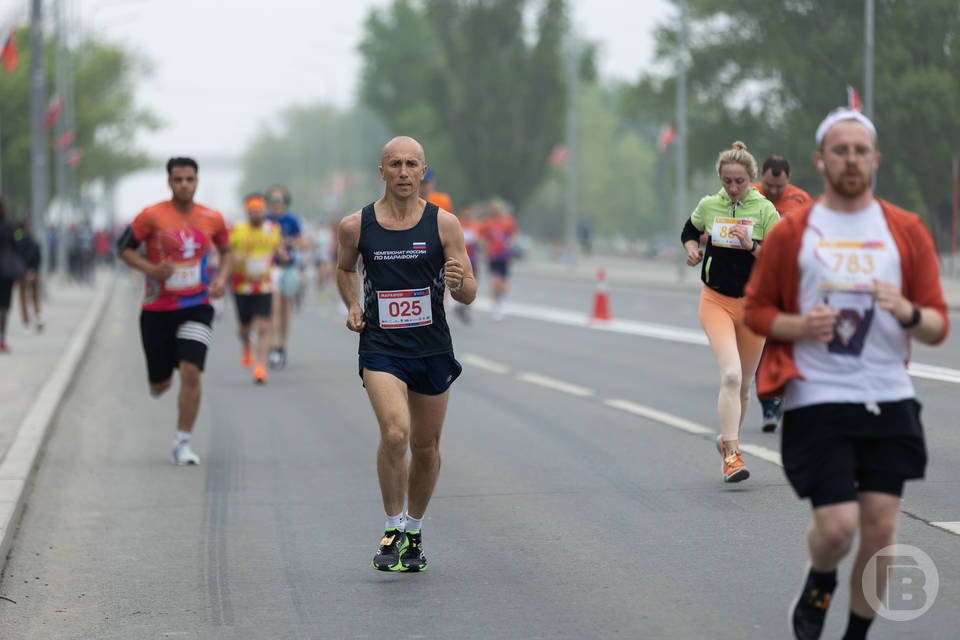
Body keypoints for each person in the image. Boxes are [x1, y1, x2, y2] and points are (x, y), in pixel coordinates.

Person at [744, 108, 949, 640]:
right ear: (821, 160)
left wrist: (905, 311)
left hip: (888, 396)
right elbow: (757, 311)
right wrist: (799, 324)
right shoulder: (795, 234)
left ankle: (855, 634)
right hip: (818, 396)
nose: (852, 159)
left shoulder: (904, 230)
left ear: (875, 159)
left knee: (881, 527)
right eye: (841, 150)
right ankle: (821, 578)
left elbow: (936, 326)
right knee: (837, 528)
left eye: (861, 150)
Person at [336, 136, 476, 572]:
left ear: (422, 171)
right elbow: (343, 269)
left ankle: (414, 531)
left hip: (431, 347)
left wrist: (457, 281)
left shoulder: (444, 224)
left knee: (427, 446)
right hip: (381, 346)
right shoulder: (356, 226)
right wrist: (353, 305)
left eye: (410, 164)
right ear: (381, 172)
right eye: (394, 164)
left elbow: (469, 293)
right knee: (395, 433)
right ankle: (392, 527)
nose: (402, 171)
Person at [117, 157, 232, 465]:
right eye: (178, 179)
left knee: (191, 371)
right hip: (157, 309)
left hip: (196, 305)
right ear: (169, 182)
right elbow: (123, 248)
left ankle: (182, 442)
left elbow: (227, 249)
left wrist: (220, 279)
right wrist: (151, 270)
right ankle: (159, 379)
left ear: (197, 181)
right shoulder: (151, 216)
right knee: (161, 383)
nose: (184, 184)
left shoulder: (212, 217)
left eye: (190, 179)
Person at [680, 141, 780, 483]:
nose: (733, 188)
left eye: (739, 181)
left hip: (755, 305)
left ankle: (727, 441)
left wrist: (751, 245)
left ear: (752, 178)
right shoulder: (710, 205)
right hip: (716, 301)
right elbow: (689, 231)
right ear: (720, 179)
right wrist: (692, 250)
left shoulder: (765, 211)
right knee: (731, 375)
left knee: (745, 387)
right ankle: (733, 456)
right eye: (727, 181)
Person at [753, 156, 815, 431]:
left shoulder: (802, 201)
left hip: (793, 283)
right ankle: (768, 403)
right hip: (755, 281)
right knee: (761, 346)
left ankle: (793, 397)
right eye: (768, 185)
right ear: (761, 178)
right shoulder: (747, 196)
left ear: (788, 178)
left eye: (779, 187)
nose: (774, 192)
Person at [229, 193, 287, 384]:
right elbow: (227, 254)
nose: (256, 214)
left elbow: (278, 248)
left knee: (263, 326)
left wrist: (282, 254)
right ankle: (246, 343)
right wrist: (234, 259)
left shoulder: (272, 229)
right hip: (242, 286)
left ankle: (260, 367)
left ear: (264, 212)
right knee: (244, 329)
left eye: (259, 211)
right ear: (248, 213)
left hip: (263, 285)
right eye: (253, 211)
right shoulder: (237, 230)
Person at [265, 184, 303, 369]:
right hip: (271, 268)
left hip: (289, 267)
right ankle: (273, 346)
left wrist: (288, 243)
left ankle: (282, 346)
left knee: (285, 307)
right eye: (273, 200)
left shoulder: (292, 220)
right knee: (274, 307)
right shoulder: (265, 220)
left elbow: (301, 241)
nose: (276, 204)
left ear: (285, 202)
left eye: (280, 200)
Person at [479, 198, 516, 321]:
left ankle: (503, 297)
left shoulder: (508, 221)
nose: (496, 210)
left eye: (498, 208)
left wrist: (510, 244)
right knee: (495, 282)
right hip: (493, 255)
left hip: (504, 255)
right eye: (494, 208)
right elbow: (481, 236)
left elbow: (513, 235)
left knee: (503, 283)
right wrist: (485, 247)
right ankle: (496, 307)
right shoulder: (487, 222)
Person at [0, 198, 23, 353]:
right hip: (5, 271)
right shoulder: (9, 226)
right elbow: (16, 246)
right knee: (4, 307)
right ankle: (2, 340)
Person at [15, 219, 43, 331]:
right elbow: (38, 257)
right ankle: (37, 316)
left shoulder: (19, 243)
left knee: (23, 297)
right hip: (33, 272)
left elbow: (18, 259)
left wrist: (25, 272)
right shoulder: (34, 242)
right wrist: (33, 271)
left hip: (23, 273)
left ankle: (27, 320)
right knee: (34, 296)